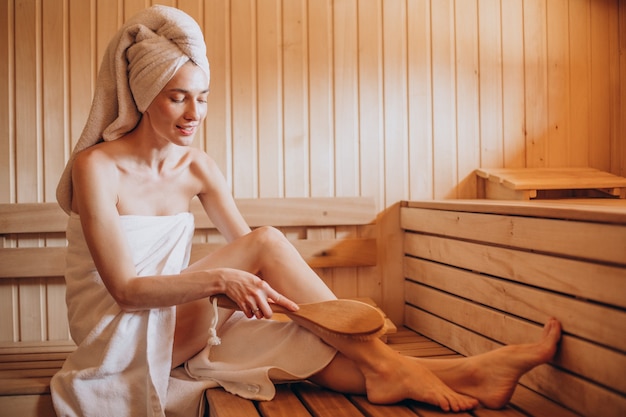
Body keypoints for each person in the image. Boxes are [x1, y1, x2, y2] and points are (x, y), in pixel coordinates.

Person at [50, 5, 561, 417]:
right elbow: (126, 289)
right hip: (122, 336)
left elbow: (260, 269)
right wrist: (223, 281)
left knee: (295, 338)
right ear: (142, 97)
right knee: (270, 244)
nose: (193, 114)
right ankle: (391, 365)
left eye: (202, 98)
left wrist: (308, 317)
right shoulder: (97, 167)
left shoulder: (198, 167)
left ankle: (472, 371)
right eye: (177, 98)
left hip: (182, 321)